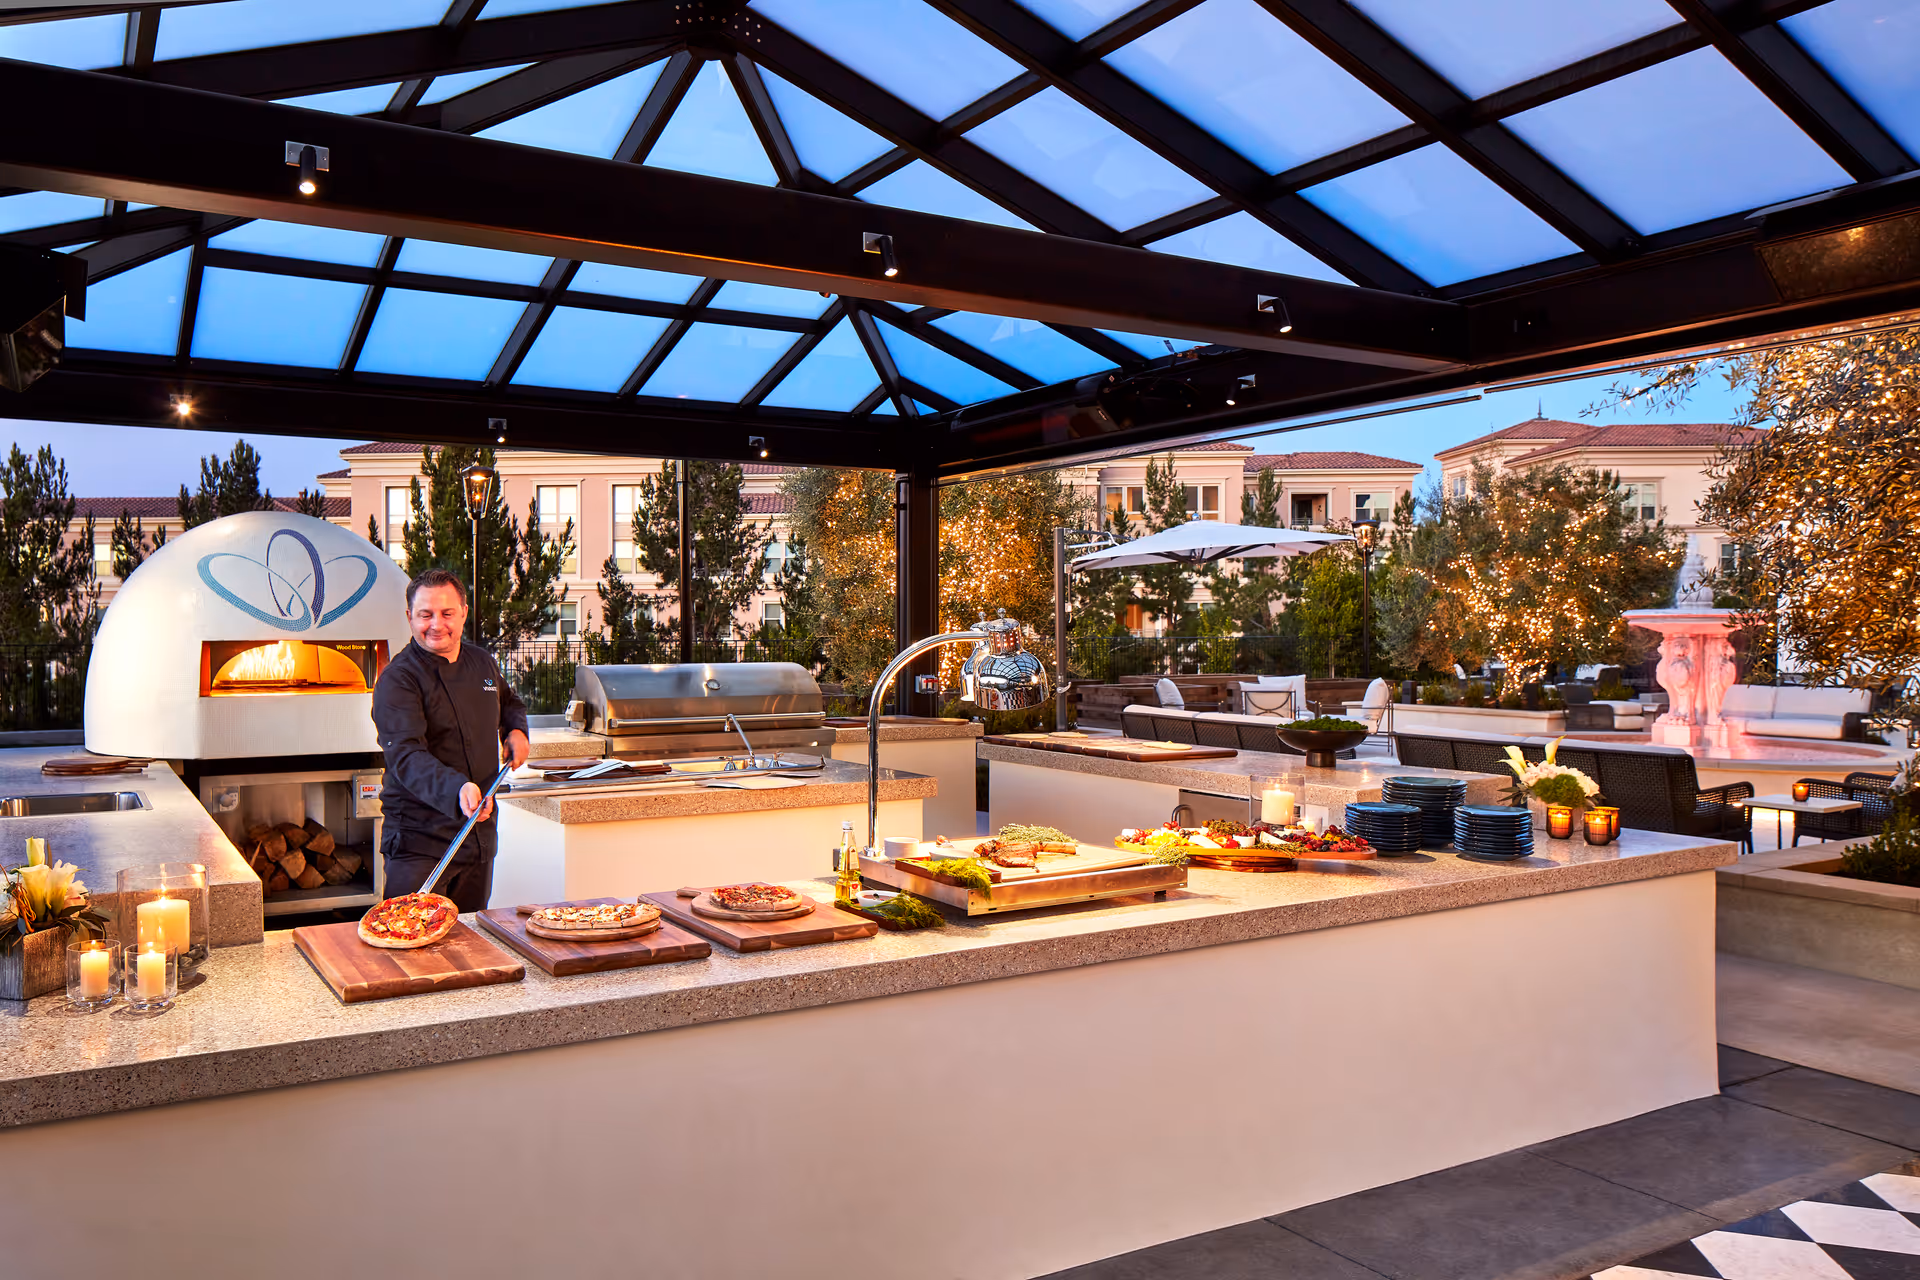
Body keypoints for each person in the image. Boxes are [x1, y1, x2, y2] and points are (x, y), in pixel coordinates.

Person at [371, 568, 530, 912]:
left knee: (471, 942)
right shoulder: (398, 679)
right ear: (410, 617)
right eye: (426, 614)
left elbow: (510, 702)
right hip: (419, 842)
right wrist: (457, 789)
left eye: (447, 613)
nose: (436, 625)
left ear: (463, 613)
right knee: (409, 940)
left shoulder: (482, 663)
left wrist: (516, 729)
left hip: (478, 835)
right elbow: (407, 756)